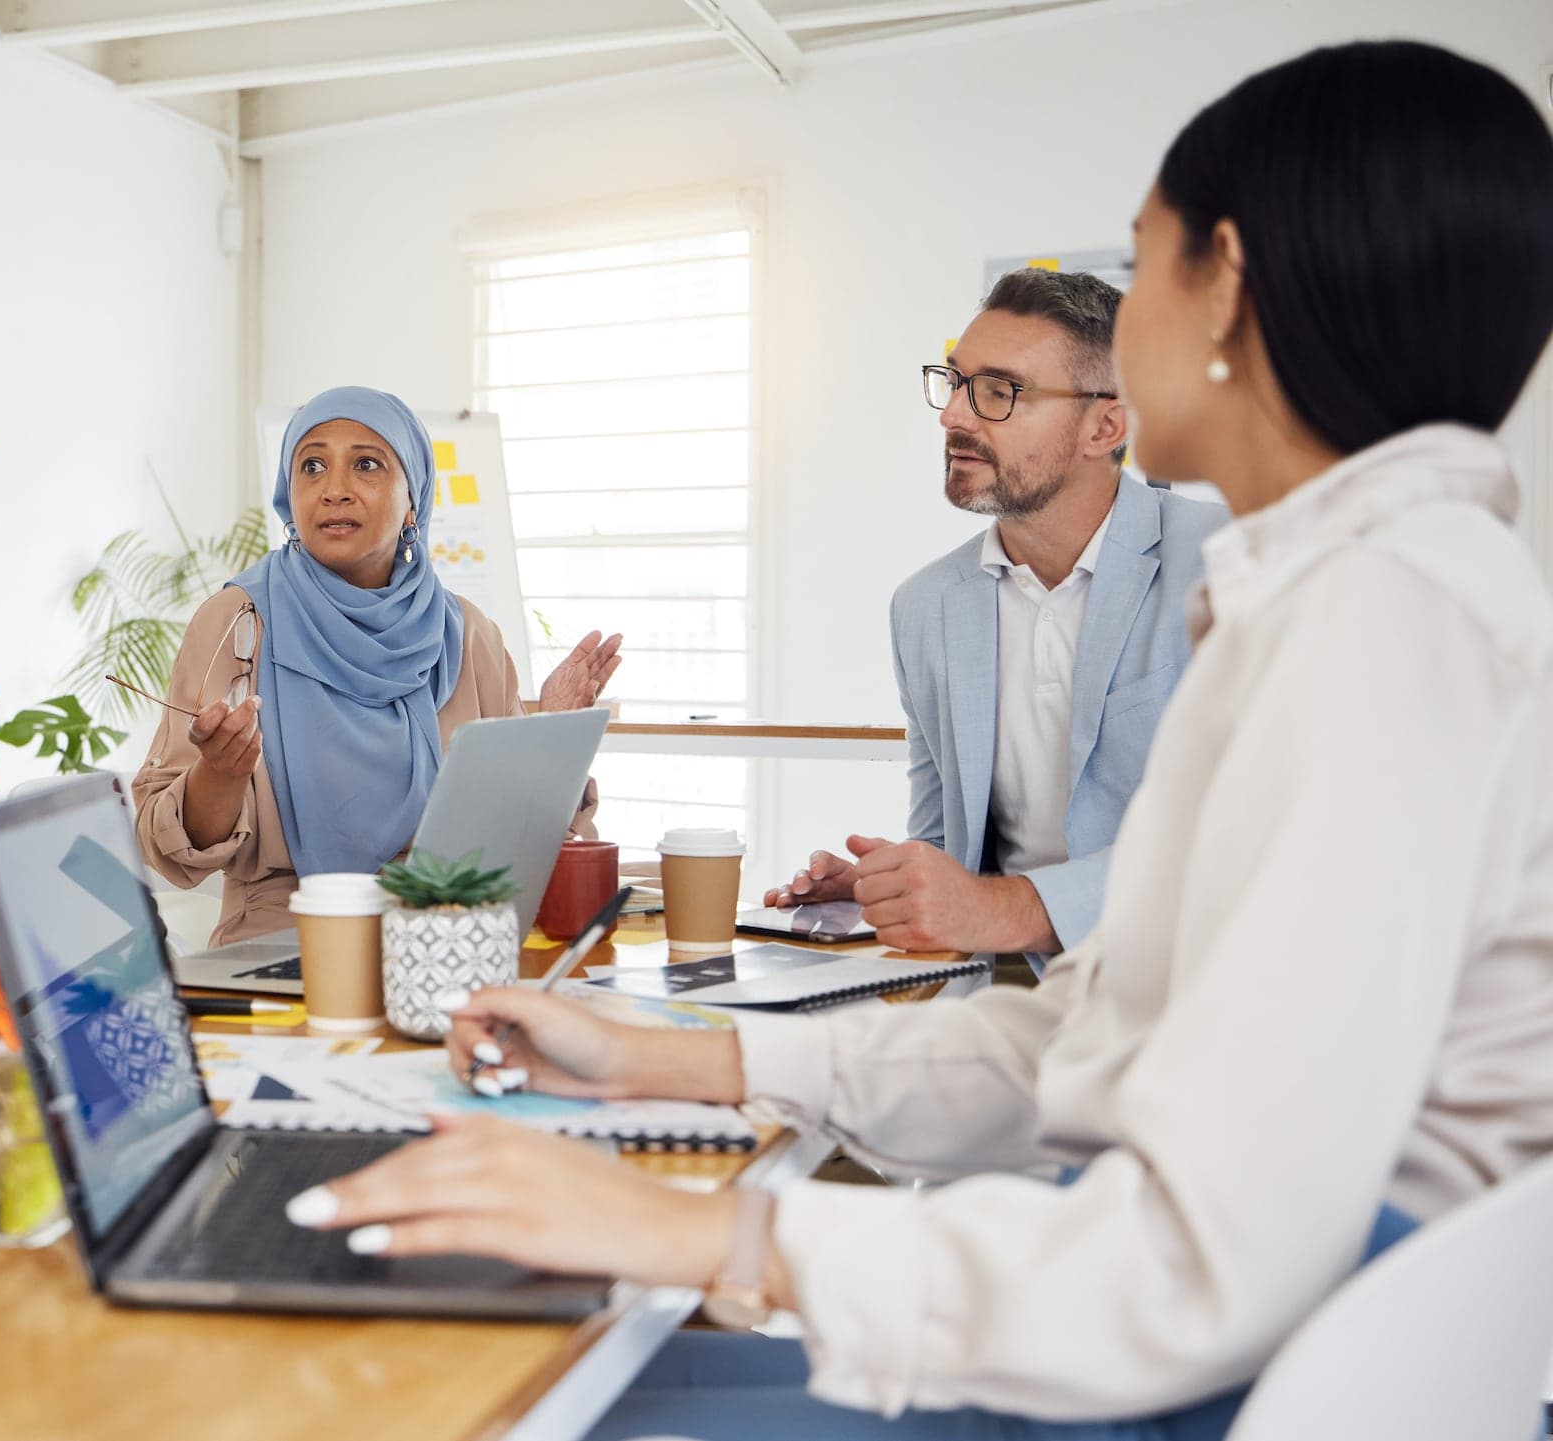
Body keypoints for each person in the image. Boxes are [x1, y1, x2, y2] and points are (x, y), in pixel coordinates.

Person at [291, 40, 1553, 1437]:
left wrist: (698, 1234)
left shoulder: (1384, 627)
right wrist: (683, 1059)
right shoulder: (1349, 599)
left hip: (1197, 1388)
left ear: (1229, 286)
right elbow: (1087, 1038)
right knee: (574, 1371)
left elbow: (1191, 1261)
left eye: (1144, 266)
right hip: (1181, 1349)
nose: (965, 409)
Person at [764, 270, 1228, 971]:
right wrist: (886, 888)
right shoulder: (925, 608)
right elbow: (949, 852)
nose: (953, 416)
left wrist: (998, 909)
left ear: (1105, 424)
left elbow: (1237, 837)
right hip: (1020, 992)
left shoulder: (1224, 561)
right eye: (954, 382)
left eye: (999, 392)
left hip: (1199, 987)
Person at [132, 386, 623, 945]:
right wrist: (218, 775)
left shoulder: (466, 634)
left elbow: (516, 837)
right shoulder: (237, 624)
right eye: (311, 466)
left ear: (413, 499)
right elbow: (171, 852)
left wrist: (548, 740)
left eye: (366, 465)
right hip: (283, 943)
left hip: (449, 939)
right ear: (290, 497)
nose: (334, 490)